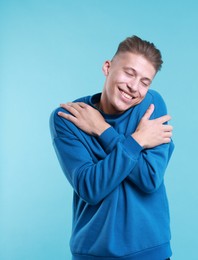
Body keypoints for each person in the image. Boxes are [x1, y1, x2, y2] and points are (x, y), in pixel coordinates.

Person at [49, 35, 174, 260]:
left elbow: (149, 178)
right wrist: (137, 141)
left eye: (145, 82)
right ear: (108, 67)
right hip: (95, 252)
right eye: (129, 73)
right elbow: (91, 188)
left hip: (151, 251)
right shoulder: (69, 119)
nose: (134, 87)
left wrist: (102, 130)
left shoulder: (151, 105)